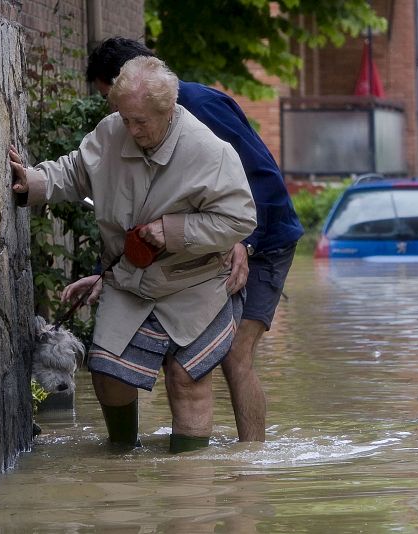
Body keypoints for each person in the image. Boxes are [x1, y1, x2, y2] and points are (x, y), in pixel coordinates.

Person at [10, 56, 257, 452]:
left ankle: (188, 486)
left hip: (194, 282)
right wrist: (34, 182)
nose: (132, 129)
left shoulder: (211, 152)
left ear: (170, 110)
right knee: (108, 375)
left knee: (185, 377)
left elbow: (240, 219)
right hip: (129, 278)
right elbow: (75, 172)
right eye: (125, 118)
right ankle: (123, 457)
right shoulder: (112, 132)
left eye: (141, 121)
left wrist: (173, 230)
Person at [62, 37, 304, 442]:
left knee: (235, 357)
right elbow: (135, 218)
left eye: (111, 96)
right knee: (193, 364)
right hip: (201, 245)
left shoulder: (198, 108)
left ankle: (252, 468)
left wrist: (246, 242)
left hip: (264, 238)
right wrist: (105, 272)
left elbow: (259, 175)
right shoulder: (137, 127)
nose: (114, 112)